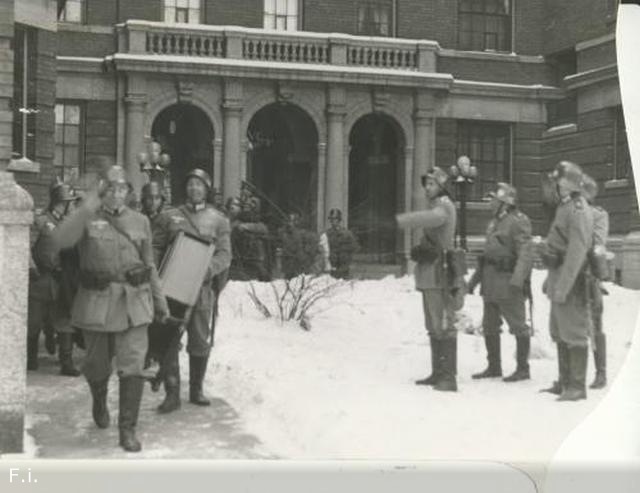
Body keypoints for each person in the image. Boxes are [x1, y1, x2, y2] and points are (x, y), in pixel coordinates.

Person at [52, 165, 169, 452]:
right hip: (97, 303)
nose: (116, 194)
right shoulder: (86, 218)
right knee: (96, 367)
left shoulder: (141, 221)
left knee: (133, 368)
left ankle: (127, 430)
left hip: (134, 302)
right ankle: (99, 400)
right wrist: (86, 207)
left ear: (129, 192)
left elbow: (149, 264)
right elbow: (59, 239)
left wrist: (160, 300)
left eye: (122, 189)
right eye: (111, 189)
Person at [154, 168, 231, 413]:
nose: (194, 188)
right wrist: (156, 272)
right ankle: (172, 393)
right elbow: (155, 246)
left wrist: (206, 270)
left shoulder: (218, 220)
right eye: (190, 184)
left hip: (201, 289)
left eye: (199, 185)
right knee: (169, 339)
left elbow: (225, 254)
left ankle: (196, 388)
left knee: (199, 339)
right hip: (173, 288)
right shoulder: (170, 217)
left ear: (206, 190)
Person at [396, 167, 459, 392]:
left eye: (431, 184)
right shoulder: (436, 204)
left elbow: (434, 219)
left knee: (443, 322)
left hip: (439, 273)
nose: (427, 188)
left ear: (441, 186)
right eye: (426, 184)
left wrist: (404, 219)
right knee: (433, 324)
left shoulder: (444, 205)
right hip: (430, 272)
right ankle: (438, 372)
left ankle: (448, 376)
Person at [538, 161, 594, 401]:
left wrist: (563, 286)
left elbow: (576, 252)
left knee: (574, 332)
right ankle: (565, 381)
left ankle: (577, 386)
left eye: (556, 181)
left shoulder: (578, 209)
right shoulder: (565, 207)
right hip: (558, 276)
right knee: (560, 331)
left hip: (571, 281)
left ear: (567, 183)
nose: (553, 186)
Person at [468, 183, 534, 382]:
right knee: (489, 326)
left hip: (508, 284)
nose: (490, 204)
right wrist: (473, 282)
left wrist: (518, 280)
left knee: (518, 326)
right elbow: (487, 256)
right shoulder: (494, 223)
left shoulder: (517, 222)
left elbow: (526, 252)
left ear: (505, 203)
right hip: (490, 284)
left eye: (494, 200)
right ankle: (494, 366)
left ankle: (523, 368)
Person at [28, 178, 82, 376]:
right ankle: (30, 357)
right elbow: (27, 245)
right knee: (34, 320)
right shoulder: (41, 221)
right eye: (66, 202)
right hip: (41, 278)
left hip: (62, 279)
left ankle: (66, 362)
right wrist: (31, 267)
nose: (68, 206)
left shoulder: (69, 224)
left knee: (65, 319)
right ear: (59, 202)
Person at [582, 174, 610, 389]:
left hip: (587, 275)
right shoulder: (566, 213)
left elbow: (598, 246)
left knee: (594, 324)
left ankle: (600, 372)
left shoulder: (597, 216)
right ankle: (572, 374)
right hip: (568, 275)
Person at [320, 208, 359, 279]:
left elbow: (354, 248)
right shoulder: (327, 234)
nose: (333, 221)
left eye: (335, 219)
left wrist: (348, 259)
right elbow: (323, 250)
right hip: (332, 266)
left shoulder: (347, 234)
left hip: (344, 265)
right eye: (331, 220)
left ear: (339, 220)